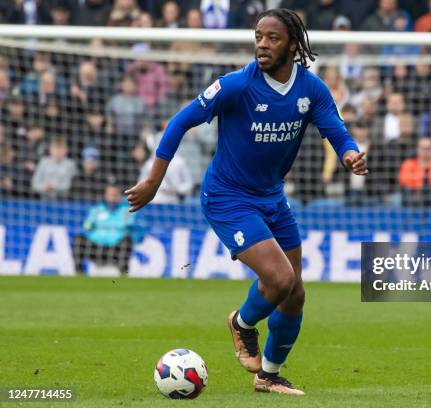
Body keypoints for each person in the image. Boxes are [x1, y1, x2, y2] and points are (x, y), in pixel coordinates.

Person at [124, 8, 367, 396]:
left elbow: (336, 130)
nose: (262, 45)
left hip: (272, 196)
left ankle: (268, 376)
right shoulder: (236, 85)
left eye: (272, 38)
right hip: (227, 196)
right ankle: (241, 323)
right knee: (280, 278)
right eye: (258, 37)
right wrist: (154, 181)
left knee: (295, 291)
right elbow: (179, 122)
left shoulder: (312, 89)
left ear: (292, 44)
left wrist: (350, 154)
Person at [73, 182, 135, 275]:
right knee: (78, 239)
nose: (112, 197)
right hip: (96, 246)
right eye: (110, 195)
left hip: (115, 247)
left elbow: (130, 227)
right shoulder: (96, 210)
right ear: (105, 195)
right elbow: (87, 226)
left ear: (119, 196)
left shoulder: (127, 211)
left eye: (115, 195)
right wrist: (88, 224)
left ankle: (123, 273)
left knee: (127, 241)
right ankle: (79, 272)